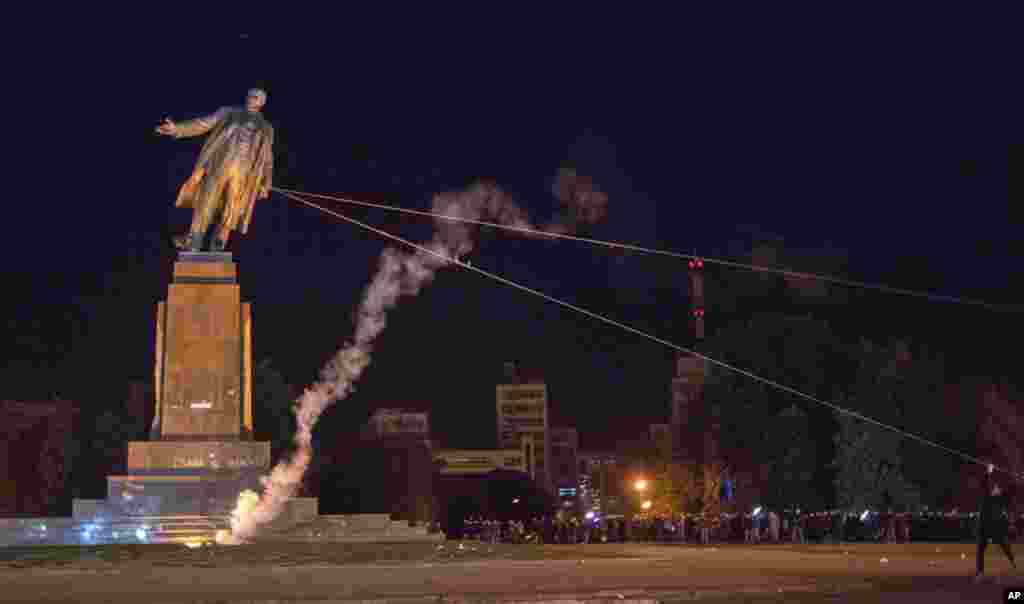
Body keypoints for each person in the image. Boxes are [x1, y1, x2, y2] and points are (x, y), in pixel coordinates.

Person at [156, 88, 275, 252]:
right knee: (205, 202)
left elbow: (267, 159)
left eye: (255, 97)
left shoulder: (266, 128)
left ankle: (219, 243)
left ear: (262, 103)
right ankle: (193, 241)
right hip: (219, 167)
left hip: (242, 175)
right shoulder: (228, 113)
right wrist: (177, 129)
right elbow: (203, 124)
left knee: (231, 209)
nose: (250, 99)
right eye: (249, 96)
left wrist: (266, 182)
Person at [973, 463, 1017, 582]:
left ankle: (1013, 564)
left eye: (998, 488)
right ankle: (979, 573)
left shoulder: (1001, 499)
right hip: (983, 528)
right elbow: (983, 484)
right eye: (995, 488)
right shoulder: (987, 497)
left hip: (995, 529)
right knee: (980, 551)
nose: (997, 488)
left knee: (1005, 545)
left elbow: (1011, 490)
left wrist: (1015, 478)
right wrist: (988, 472)